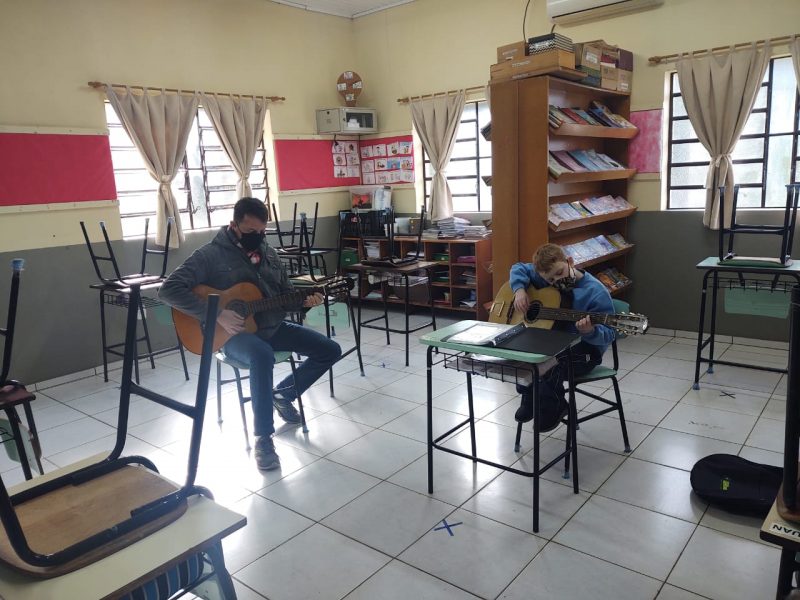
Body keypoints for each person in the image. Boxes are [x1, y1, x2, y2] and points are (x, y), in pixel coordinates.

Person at [159, 197, 342, 471]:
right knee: (261, 354)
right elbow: (168, 290)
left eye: (261, 231)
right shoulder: (210, 255)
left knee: (329, 349)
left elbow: (284, 297)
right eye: (250, 231)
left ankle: (283, 395)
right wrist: (215, 313)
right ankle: (264, 439)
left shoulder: (269, 254)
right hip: (230, 336)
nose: (257, 236)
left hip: (270, 326)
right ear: (234, 225)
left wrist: (305, 301)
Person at [509, 243, 615, 430]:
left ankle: (555, 405)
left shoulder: (596, 292)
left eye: (560, 272)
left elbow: (610, 334)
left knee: (551, 364)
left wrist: (590, 332)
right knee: (523, 354)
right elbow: (518, 267)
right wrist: (519, 290)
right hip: (555, 343)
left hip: (587, 351)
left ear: (570, 261)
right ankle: (529, 396)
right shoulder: (544, 275)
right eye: (550, 280)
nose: (557, 280)